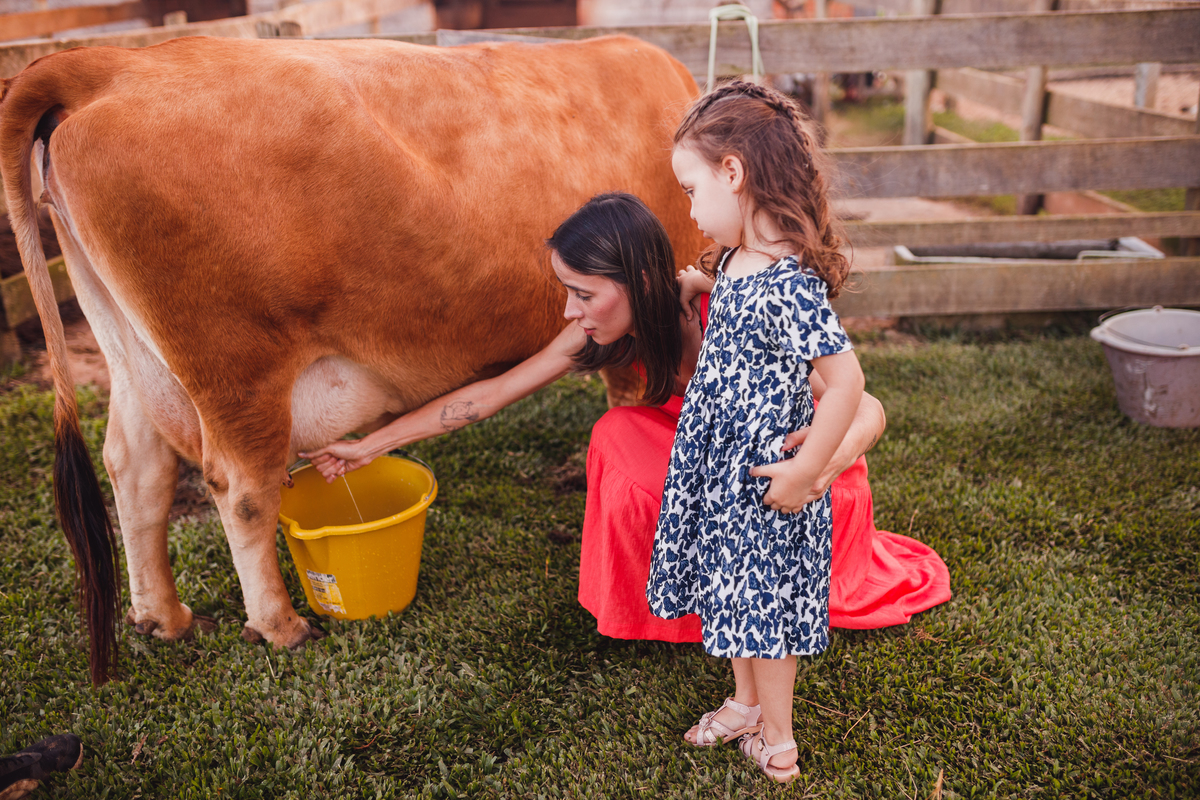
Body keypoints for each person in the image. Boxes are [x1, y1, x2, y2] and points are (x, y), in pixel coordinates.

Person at [643, 80, 867, 783]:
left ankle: (778, 738)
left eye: (691, 189)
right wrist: (701, 286)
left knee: (762, 607)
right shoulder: (741, 262)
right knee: (732, 589)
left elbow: (847, 383)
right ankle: (743, 704)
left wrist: (807, 471)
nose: (689, 208)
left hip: (764, 474)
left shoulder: (790, 283)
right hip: (721, 463)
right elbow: (743, 311)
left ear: (733, 172)